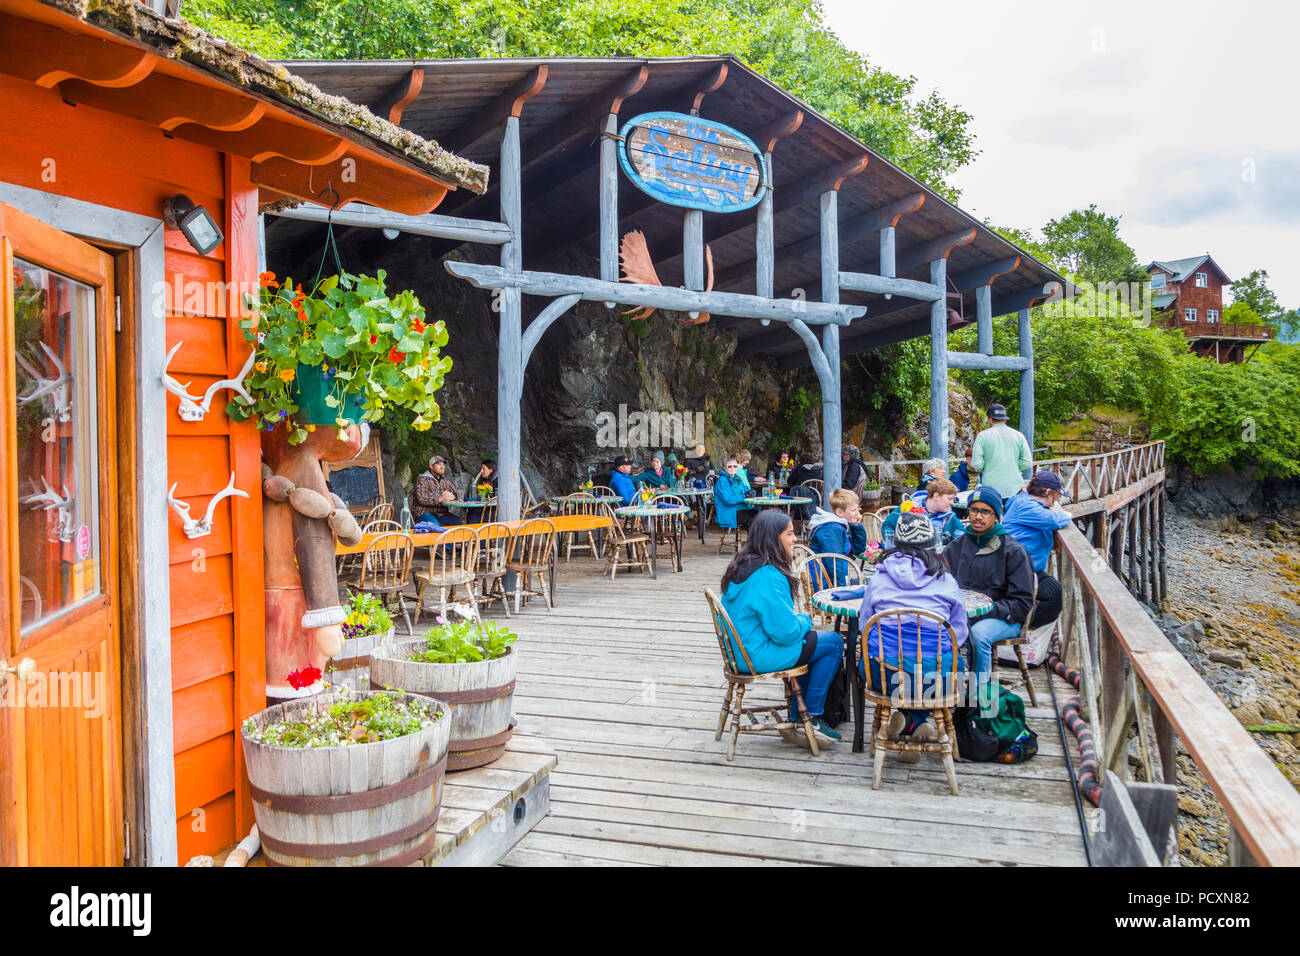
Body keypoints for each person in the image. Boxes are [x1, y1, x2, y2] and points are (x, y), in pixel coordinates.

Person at [720, 509, 843, 745]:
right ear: (773, 537)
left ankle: (799, 714)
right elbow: (785, 634)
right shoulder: (768, 575)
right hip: (758, 656)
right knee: (834, 642)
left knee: (814, 643)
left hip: (739, 652)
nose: (795, 539)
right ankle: (811, 716)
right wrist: (805, 620)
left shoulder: (742, 564)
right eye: (790, 534)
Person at [860, 511, 969, 758]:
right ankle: (915, 724)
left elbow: (865, 626)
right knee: (950, 668)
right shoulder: (947, 581)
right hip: (935, 678)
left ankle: (908, 723)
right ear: (933, 545)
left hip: (885, 675)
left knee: (873, 662)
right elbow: (959, 633)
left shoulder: (878, 579)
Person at [944, 485, 1035, 703]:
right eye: (974, 510)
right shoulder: (956, 547)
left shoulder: (1012, 551)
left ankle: (979, 699)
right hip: (962, 614)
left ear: (996, 516)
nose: (978, 516)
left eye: (986, 511)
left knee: (979, 634)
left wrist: (986, 612)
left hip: (1003, 616)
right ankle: (940, 693)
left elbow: (1022, 602)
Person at [1002, 470, 1071, 627]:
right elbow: (1054, 520)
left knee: (1055, 593)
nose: (1057, 500)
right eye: (1057, 496)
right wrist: (1067, 515)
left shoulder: (1024, 502)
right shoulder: (1026, 506)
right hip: (1014, 570)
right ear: (1047, 492)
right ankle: (1020, 625)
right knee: (1055, 594)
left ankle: (1024, 622)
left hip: (1025, 567)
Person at [807, 488, 868, 586]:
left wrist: (857, 525)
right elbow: (834, 563)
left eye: (857, 508)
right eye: (853, 510)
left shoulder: (838, 526)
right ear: (839, 512)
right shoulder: (831, 529)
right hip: (825, 585)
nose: (857, 513)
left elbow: (858, 548)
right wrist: (842, 590)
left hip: (833, 580)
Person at [972, 403, 1032, 501]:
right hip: (1014, 487)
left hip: (990, 488)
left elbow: (977, 465)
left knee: (991, 515)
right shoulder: (1018, 435)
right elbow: (1027, 462)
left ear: (989, 419)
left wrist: (988, 466)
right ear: (1005, 419)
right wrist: (1013, 466)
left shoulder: (982, 436)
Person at [881, 477, 966, 547]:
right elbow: (887, 526)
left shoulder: (950, 517)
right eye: (949, 499)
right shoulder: (909, 507)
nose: (952, 503)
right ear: (936, 496)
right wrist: (897, 546)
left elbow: (963, 539)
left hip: (936, 561)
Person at [414, 455, 463, 526]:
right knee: (435, 526)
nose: (442, 467)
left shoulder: (445, 481)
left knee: (459, 522)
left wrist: (453, 496)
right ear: (431, 466)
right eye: (439, 464)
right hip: (424, 514)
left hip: (442, 514)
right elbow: (422, 499)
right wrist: (440, 499)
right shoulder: (422, 479)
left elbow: (458, 492)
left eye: (443, 464)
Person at [713, 456, 756, 530]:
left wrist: (750, 492)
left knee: (761, 516)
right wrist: (744, 496)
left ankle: (758, 540)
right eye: (729, 466)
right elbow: (728, 500)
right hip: (729, 512)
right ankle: (753, 541)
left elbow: (746, 490)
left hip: (740, 509)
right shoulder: (722, 481)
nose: (732, 468)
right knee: (753, 520)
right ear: (724, 468)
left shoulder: (737, 478)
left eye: (735, 466)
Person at [462, 459, 498, 524]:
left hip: (494, 509)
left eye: (484, 469)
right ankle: (472, 530)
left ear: (491, 470)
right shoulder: (484, 481)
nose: (481, 471)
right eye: (481, 468)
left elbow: (495, 498)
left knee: (474, 514)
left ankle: (475, 530)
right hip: (485, 506)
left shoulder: (497, 481)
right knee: (471, 509)